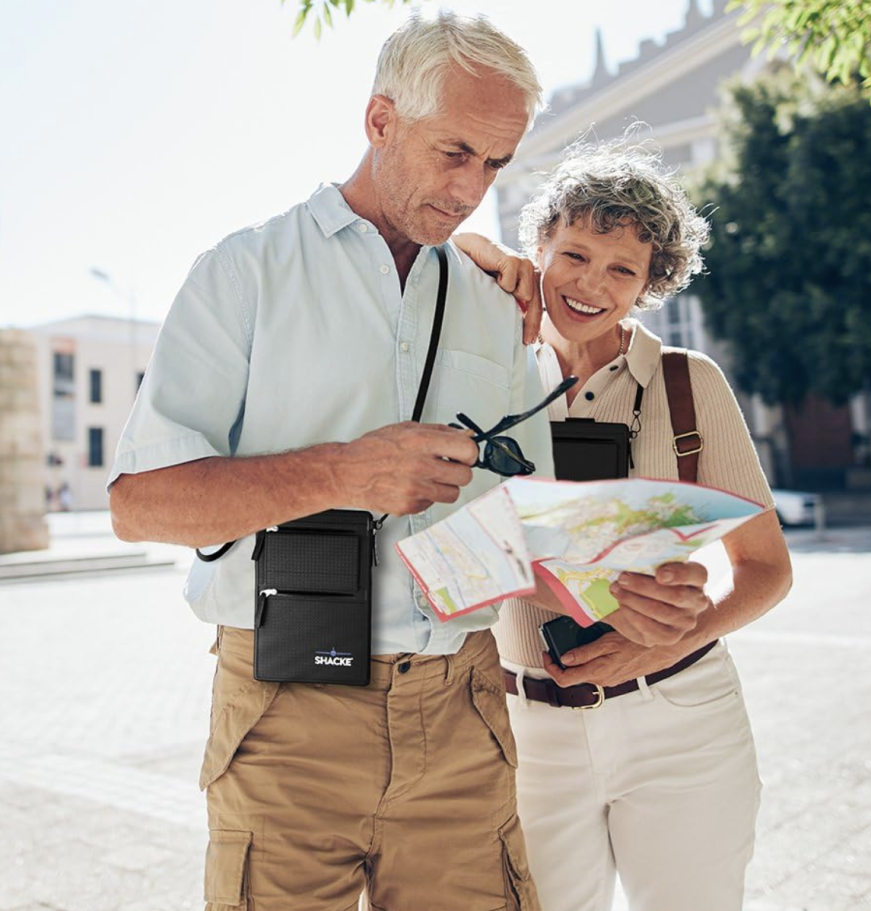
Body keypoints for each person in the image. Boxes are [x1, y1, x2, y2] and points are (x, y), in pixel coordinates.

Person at [106, 16, 708, 911]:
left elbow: (519, 526)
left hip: (464, 713)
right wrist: (343, 472)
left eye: (496, 164)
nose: (471, 189)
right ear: (379, 120)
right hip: (285, 719)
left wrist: (623, 588)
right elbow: (139, 506)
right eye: (454, 151)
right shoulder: (246, 272)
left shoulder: (493, 302)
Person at [454, 140, 793, 911]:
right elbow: (439, 556)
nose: (590, 284)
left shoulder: (688, 384)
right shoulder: (481, 375)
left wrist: (680, 631)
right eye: (573, 254)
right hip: (523, 728)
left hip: (679, 718)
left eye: (622, 270)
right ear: (535, 247)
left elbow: (768, 568)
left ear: (649, 285)